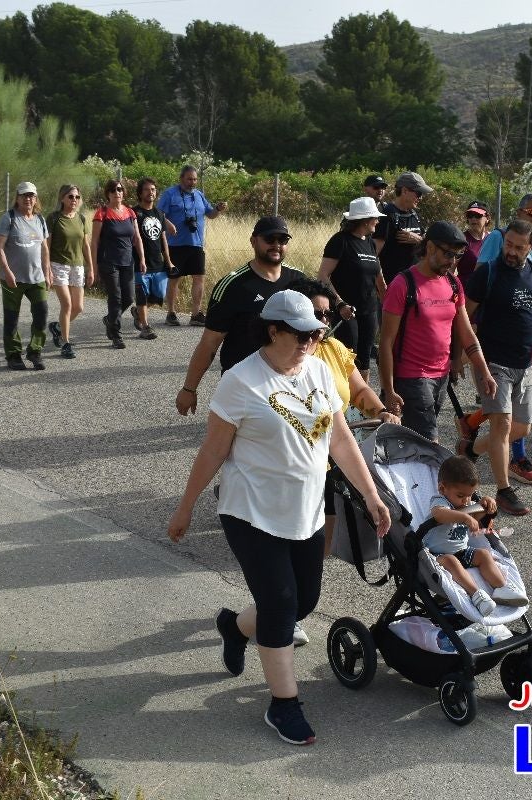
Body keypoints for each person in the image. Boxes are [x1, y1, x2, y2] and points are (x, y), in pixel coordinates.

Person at [167, 289, 391, 747]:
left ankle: (234, 626)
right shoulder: (242, 381)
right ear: (274, 330)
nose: (312, 340)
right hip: (250, 511)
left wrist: (372, 495)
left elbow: (341, 440)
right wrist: (186, 505)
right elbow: (214, 449)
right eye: (303, 333)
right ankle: (283, 705)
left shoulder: (320, 370)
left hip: (305, 511)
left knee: (302, 602)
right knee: (280, 601)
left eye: (317, 332)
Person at [461, 219, 532, 516]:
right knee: (502, 425)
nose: (510, 251)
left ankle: (471, 450)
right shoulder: (487, 272)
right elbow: (464, 316)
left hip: (525, 364)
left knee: (522, 427)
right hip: (493, 362)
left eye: (518, 247)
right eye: (508, 244)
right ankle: (504, 489)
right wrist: (461, 355)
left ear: (531, 247)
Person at [288, 277, 399, 557]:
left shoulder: (334, 349)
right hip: (301, 451)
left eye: (327, 314)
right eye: (316, 314)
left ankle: (314, 563)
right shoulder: (290, 353)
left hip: (334, 445)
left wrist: (381, 411)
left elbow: (359, 389)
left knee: (330, 510)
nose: (323, 320)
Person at [378, 221, 497, 443]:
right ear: (430, 248)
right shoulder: (403, 284)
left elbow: (466, 333)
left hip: (441, 377)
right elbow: (386, 342)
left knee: (414, 444)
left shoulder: (453, 284)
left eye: (458, 256)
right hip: (412, 378)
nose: (452, 262)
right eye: (448, 254)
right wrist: (389, 389)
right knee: (431, 444)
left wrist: (484, 371)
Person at [175, 216, 306, 416]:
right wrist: (189, 389)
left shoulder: (300, 281)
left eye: (283, 240)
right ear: (253, 241)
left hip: (287, 383)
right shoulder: (232, 285)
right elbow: (209, 343)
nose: (277, 245)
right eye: (270, 239)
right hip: (244, 385)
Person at [424, 455, 527, 615]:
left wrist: (485, 504)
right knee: (451, 561)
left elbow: (475, 518)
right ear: (443, 488)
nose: (466, 501)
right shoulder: (440, 502)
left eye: (470, 495)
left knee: (484, 555)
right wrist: (464, 516)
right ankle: (476, 595)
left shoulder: (465, 502)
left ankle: (501, 588)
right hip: (438, 555)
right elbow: (439, 515)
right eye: (460, 496)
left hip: (462, 552)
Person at [317, 196, 384, 379]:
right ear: (364, 220)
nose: (378, 221)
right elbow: (323, 276)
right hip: (346, 312)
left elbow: (377, 273)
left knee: (365, 358)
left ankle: (363, 405)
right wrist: (339, 304)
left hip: (369, 310)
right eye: (375, 217)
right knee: (348, 358)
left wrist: (387, 298)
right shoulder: (340, 241)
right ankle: (345, 404)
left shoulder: (369, 242)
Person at [157, 165, 227, 326]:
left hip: (196, 244)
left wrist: (218, 209)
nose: (192, 182)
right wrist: (168, 224)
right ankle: (171, 313)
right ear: (181, 179)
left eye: (195, 179)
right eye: (189, 179)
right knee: (174, 279)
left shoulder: (199, 195)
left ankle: (196, 314)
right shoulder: (170, 194)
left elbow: (211, 214)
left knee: (199, 278)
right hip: (175, 244)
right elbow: (158, 214)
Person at [0, 181, 51, 369]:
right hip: (13, 279)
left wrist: (48, 271)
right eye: (24, 195)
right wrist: (7, 272)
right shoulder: (9, 218)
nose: (28, 199)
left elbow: (44, 248)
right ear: (17, 198)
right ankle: (13, 355)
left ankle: (35, 351)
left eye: (31, 196)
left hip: (37, 278)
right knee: (12, 318)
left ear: (36, 199)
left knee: (42, 312)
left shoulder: (40, 220)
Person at [90, 178, 146, 350]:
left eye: (120, 189)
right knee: (115, 297)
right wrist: (94, 267)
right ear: (108, 193)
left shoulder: (130, 212)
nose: (117, 193)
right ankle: (116, 334)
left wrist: (142, 259)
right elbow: (94, 242)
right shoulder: (102, 213)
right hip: (108, 261)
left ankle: (110, 319)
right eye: (114, 190)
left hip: (128, 261)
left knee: (129, 297)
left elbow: (137, 238)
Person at [45, 184, 93, 360]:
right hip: (58, 265)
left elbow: (85, 245)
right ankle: (65, 343)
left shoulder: (81, 218)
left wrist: (91, 268)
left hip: (78, 266)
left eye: (77, 197)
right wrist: (47, 268)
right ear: (62, 198)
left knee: (78, 307)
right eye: (71, 197)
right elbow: (46, 245)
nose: (74, 200)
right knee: (67, 305)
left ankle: (57, 327)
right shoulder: (54, 218)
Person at [132, 177, 174, 340]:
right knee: (142, 295)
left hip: (158, 263)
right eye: (147, 190)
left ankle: (137, 312)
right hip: (140, 263)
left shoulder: (159, 213)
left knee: (159, 295)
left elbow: (163, 239)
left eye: (153, 190)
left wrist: (168, 261)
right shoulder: (134, 213)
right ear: (140, 193)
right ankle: (145, 327)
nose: (151, 192)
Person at [373, 171, 431, 284]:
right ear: (404, 191)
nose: (421, 198)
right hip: (393, 283)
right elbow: (373, 255)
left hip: (415, 282)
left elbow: (427, 244)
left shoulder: (414, 214)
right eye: (418, 193)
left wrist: (418, 239)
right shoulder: (387, 215)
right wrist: (382, 286)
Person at [456, 200, 490, 287]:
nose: (473, 219)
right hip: (466, 292)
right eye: (470, 216)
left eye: (478, 216)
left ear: (487, 218)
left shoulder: (492, 238)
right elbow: (450, 270)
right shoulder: (461, 240)